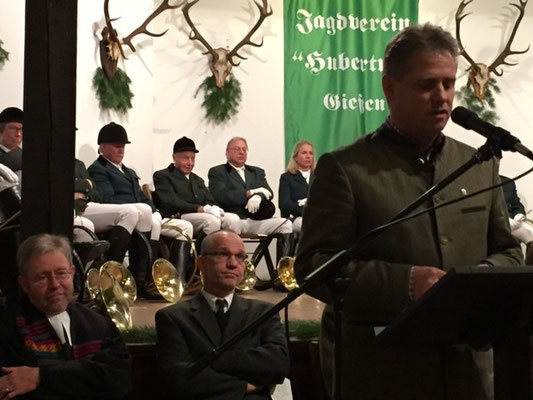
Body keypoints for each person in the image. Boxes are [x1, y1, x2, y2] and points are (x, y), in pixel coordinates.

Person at [295, 23, 523, 400]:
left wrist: (481, 278)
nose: (442, 97)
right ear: (390, 88)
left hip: (468, 371)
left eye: (449, 84)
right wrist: (406, 283)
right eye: (426, 84)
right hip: (385, 374)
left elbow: (508, 252)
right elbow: (314, 267)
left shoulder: (478, 163)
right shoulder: (346, 169)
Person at [155, 230, 289, 400]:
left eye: (240, 256)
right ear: (201, 262)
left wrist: (210, 360)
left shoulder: (264, 313)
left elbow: (278, 365)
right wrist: (243, 386)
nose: (233, 264)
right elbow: (179, 378)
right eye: (223, 254)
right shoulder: (173, 317)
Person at [0, 233, 132, 399]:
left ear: (72, 273)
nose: (55, 285)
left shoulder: (99, 325)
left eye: (61, 274)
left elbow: (118, 380)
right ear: (24, 284)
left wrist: (40, 376)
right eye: (42, 277)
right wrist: (83, 376)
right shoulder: (7, 328)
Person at [88, 122, 194, 298]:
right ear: (103, 147)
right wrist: (142, 208)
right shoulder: (98, 169)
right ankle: (135, 279)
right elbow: (108, 198)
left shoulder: (128, 172)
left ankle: (149, 279)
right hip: (121, 215)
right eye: (116, 146)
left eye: (122, 147)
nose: (121, 150)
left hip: (141, 215)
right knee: (144, 211)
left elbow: (142, 196)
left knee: (158, 217)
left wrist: (154, 210)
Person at [208, 137, 293, 265]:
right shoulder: (218, 172)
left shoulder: (257, 172)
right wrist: (249, 193)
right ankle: (235, 266)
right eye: (237, 149)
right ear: (227, 153)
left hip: (255, 219)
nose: (241, 152)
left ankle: (282, 271)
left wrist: (258, 196)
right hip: (235, 218)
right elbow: (221, 195)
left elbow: (268, 192)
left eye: (244, 149)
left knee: (285, 224)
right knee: (233, 220)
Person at [153, 136, 242, 240]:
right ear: (174, 158)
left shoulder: (197, 179)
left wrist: (214, 207)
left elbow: (209, 200)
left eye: (193, 158)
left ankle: (230, 252)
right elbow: (172, 201)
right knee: (211, 221)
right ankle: (202, 254)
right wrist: (201, 209)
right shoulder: (163, 175)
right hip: (177, 215)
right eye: (185, 158)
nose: (190, 163)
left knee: (233, 219)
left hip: (199, 215)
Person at [279, 141, 315, 234]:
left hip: (318, 216)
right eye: (304, 153)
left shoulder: (320, 177)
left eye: (310, 153)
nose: (308, 156)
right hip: (296, 217)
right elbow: (284, 204)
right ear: (295, 157)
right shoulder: (287, 178)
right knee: (310, 225)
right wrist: (305, 210)